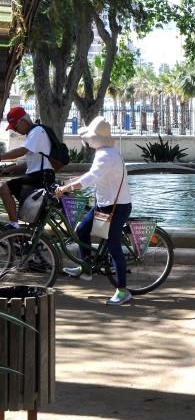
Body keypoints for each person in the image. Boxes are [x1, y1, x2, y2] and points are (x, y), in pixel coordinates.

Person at [55, 116, 133, 306]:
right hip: (104, 204)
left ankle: (123, 291)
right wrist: (69, 182)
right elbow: (91, 174)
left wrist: (68, 189)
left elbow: (91, 178)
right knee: (82, 230)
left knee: (114, 247)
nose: (88, 140)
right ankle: (86, 268)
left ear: (96, 139)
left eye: (90, 137)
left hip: (117, 207)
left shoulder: (106, 155)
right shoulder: (104, 152)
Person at [0, 106, 54, 227]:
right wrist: (8, 170)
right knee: (31, 215)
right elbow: (28, 164)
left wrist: (1, 156)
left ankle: (14, 224)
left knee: (4, 189)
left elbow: (21, 151)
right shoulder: (33, 134)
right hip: (40, 176)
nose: (15, 130)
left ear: (23, 121)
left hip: (41, 178)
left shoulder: (37, 131)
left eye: (15, 126)